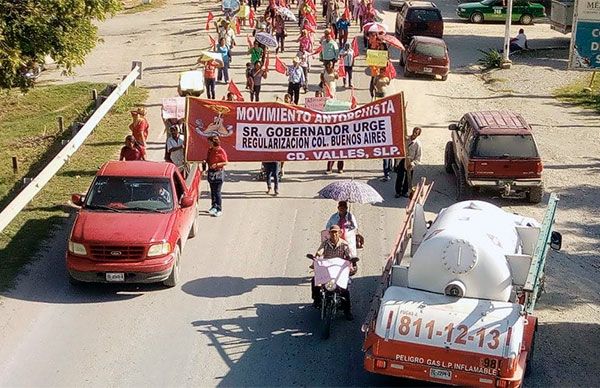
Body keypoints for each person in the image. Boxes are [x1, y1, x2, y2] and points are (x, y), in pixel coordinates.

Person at [312, 224, 354, 320]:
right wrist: (316, 258)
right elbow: (319, 252)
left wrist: (351, 262)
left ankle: (347, 311)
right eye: (332, 232)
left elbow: (349, 256)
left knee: (345, 290)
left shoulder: (344, 245)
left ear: (339, 233)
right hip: (327, 270)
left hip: (339, 271)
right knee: (314, 281)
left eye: (336, 232)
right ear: (329, 233)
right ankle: (316, 299)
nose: (334, 234)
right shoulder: (325, 243)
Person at [395, 127, 422, 198]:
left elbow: (418, 156)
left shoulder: (417, 144)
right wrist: (397, 161)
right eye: (414, 132)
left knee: (408, 178)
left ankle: (405, 191)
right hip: (403, 160)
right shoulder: (406, 139)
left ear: (418, 135)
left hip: (410, 161)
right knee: (400, 176)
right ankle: (398, 191)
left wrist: (413, 163)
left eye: (416, 133)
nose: (414, 134)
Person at [206, 136, 228, 216]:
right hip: (211, 172)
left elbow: (225, 162)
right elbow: (208, 159)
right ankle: (213, 206)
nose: (209, 143)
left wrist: (217, 165)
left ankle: (219, 208)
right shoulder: (210, 150)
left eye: (210, 142)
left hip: (218, 172)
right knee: (212, 191)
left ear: (213, 142)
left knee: (217, 191)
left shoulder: (221, 151)